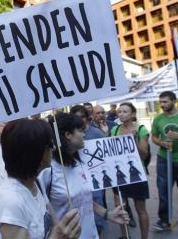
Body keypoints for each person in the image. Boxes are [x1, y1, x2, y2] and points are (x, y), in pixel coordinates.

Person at [40, 112, 128, 239]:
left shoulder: (79, 161)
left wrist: (107, 214)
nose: (84, 134)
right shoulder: (48, 171)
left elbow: (82, 198)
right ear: (68, 135)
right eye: (80, 131)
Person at [0, 118, 82, 239]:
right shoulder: (11, 201)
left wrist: (67, 231)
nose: (54, 147)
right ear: (34, 153)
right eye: (50, 144)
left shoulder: (34, 184)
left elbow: (55, 226)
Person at [111, 102, 150, 239]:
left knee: (141, 210)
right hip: (120, 175)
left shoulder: (141, 130)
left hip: (136, 175)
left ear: (133, 114)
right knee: (121, 209)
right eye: (119, 111)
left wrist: (133, 140)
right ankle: (125, 236)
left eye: (125, 111)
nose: (121, 114)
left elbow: (144, 155)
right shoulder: (114, 130)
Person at [70, 105, 107, 238]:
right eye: (76, 117)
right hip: (78, 179)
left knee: (98, 217)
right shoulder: (70, 135)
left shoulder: (97, 133)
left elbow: (106, 154)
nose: (80, 119)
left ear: (87, 117)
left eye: (82, 116)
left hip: (95, 180)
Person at [151, 91, 178, 231]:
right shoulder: (158, 119)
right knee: (163, 190)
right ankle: (164, 220)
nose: (162, 105)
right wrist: (162, 143)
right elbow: (154, 137)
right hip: (164, 159)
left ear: (174, 101)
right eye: (160, 102)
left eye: (165, 102)